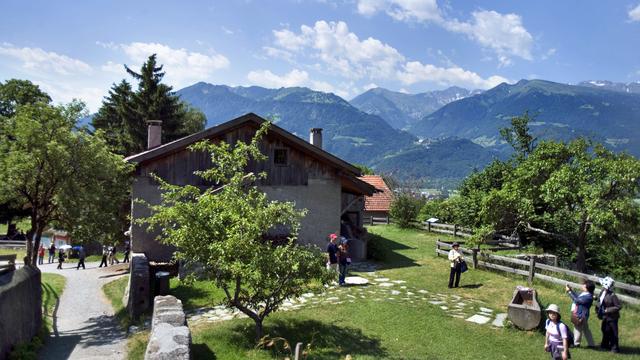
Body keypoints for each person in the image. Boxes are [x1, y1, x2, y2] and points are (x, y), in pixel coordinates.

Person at [565, 279, 595, 347]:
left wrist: (569, 292)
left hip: (581, 315)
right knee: (586, 329)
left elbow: (577, 300)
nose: (582, 285)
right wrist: (571, 290)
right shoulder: (585, 293)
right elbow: (577, 296)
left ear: (587, 288)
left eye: (584, 285)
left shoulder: (588, 297)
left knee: (577, 328)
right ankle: (591, 344)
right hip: (582, 314)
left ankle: (576, 343)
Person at [597, 276, 621, 353]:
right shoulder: (602, 292)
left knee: (613, 332)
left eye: (604, 286)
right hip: (605, 316)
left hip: (612, 317)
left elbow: (618, 306)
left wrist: (608, 310)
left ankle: (614, 348)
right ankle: (605, 345)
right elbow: (600, 300)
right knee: (605, 330)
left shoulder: (613, 295)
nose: (603, 287)